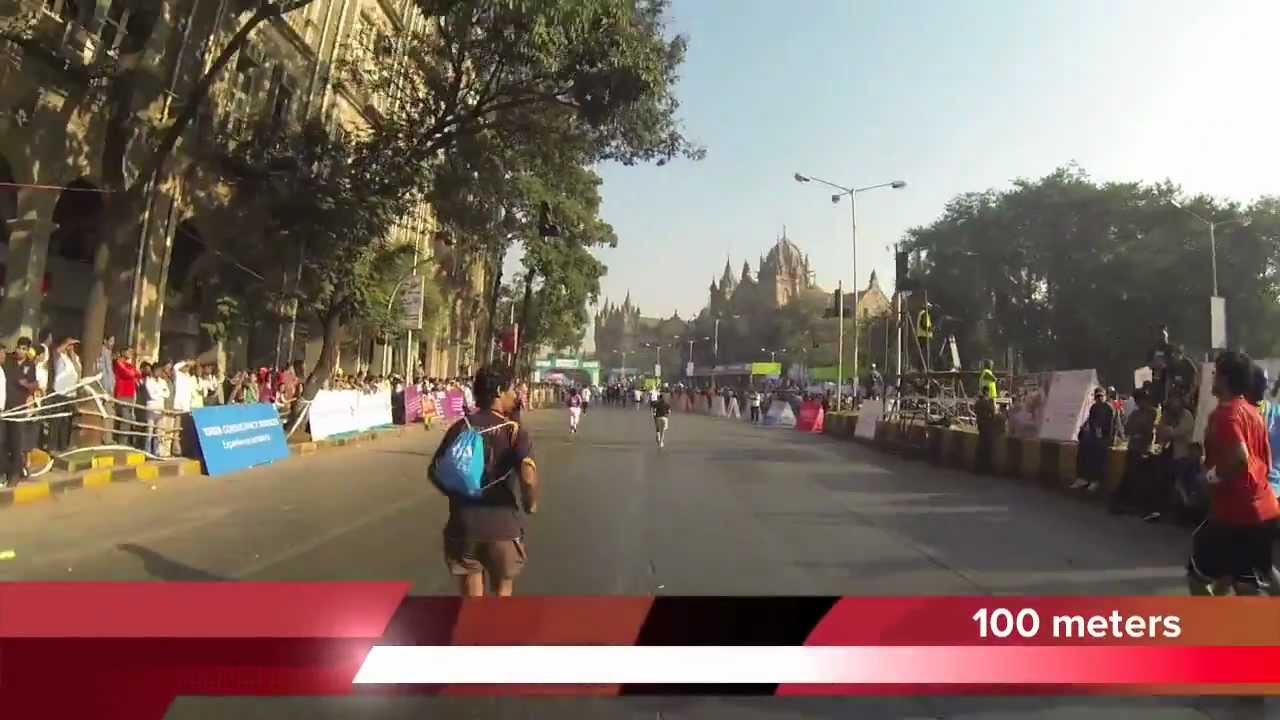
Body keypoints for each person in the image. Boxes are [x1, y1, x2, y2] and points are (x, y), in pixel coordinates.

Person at [428, 367, 538, 597]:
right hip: (502, 527)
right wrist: (530, 502)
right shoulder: (513, 431)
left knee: (471, 602)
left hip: (464, 525)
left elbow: (435, 472)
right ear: (498, 392)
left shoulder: (460, 427)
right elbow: (527, 474)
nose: (515, 395)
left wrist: (459, 494)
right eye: (511, 390)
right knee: (501, 596)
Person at [1187, 351, 1280, 596]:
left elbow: (1240, 459)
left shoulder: (1226, 415)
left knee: (1197, 577)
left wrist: (1209, 477)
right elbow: (1266, 463)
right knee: (1250, 577)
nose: (1213, 378)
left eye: (1216, 374)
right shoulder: (1253, 413)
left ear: (1226, 380)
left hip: (1235, 513)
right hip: (1264, 508)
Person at [1108, 388, 1157, 516]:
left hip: (1144, 447)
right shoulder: (1135, 414)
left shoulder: (1152, 412)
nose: (1141, 403)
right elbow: (1128, 429)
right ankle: (1119, 502)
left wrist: (1140, 430)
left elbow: (1148, 429)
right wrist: (1138, 430)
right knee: (1130, 475)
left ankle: (1131, 503)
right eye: (1139, 401)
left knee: (1139, 477)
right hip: (1134, 447)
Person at [1159, 392, 1201, 522]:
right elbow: (1161, 431)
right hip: (1171, 453)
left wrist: (1168, 430)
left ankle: (1184, 512)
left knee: (1181, 483)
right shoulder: (1169, 416)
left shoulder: (1186, 416)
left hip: (1184, 455)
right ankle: (1172, 510)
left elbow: (1177, 432)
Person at [1072, 387, 1116, 493]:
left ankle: (1096, 480)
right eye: (1097, 397)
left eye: (1101, 396)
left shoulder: (1109, 408)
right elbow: (1091, 424)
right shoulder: (1093, 408)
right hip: (1095, 435)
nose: (1099, 399)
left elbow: (1111, 428)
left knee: (1098, 451)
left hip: (1106, 437)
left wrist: (1102, 435)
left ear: (1104, 396)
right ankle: (1082, 478)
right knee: (1083, 446)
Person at [48, 336, 81, 453]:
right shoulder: (59, 357)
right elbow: (57, 351)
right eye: (70, 345)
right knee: (56, 420)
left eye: (73, 346)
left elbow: (78, 372)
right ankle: (52, 447)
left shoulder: (75, 358)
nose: (71, 347)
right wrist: (66, 342)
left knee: (66, 421)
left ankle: (63, 445)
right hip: (60, 392)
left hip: (71, 393)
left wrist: (72, 354)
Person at [112, 348, 142, 449]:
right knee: (124, 418)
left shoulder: (130, 365)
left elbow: (138, 373)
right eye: (129, 352)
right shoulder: (118, 362)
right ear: (123, 352)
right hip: (122, 394)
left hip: (130, 395)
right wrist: (133, 372)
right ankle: (121, 443)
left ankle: (123, 442)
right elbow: (128, 374)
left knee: (128, 419)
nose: (131, 354)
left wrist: (136, 364)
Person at [143, 363, 170, 456]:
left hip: (160, 408)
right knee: (149, 431)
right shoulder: (148, 380)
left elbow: (167, 394)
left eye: (160, 371)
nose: (158, 372)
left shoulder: (163, 381)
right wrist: (161, 391)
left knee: (159, 431)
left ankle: (156, 451)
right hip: (151, 408)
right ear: (153, 371)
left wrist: (158, 392)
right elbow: (152, 395)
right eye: (157, 370)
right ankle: (147, 451)